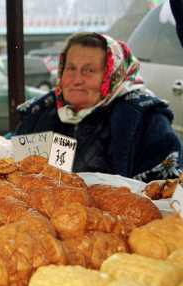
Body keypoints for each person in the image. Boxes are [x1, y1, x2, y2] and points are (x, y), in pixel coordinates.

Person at [15, 32, 182, 182]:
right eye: (71, 68)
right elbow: (16, 164)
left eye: (89, 70)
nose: (76, 79)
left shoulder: (145, 120)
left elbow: (166, 191)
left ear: (112, 76)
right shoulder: (42, 112)